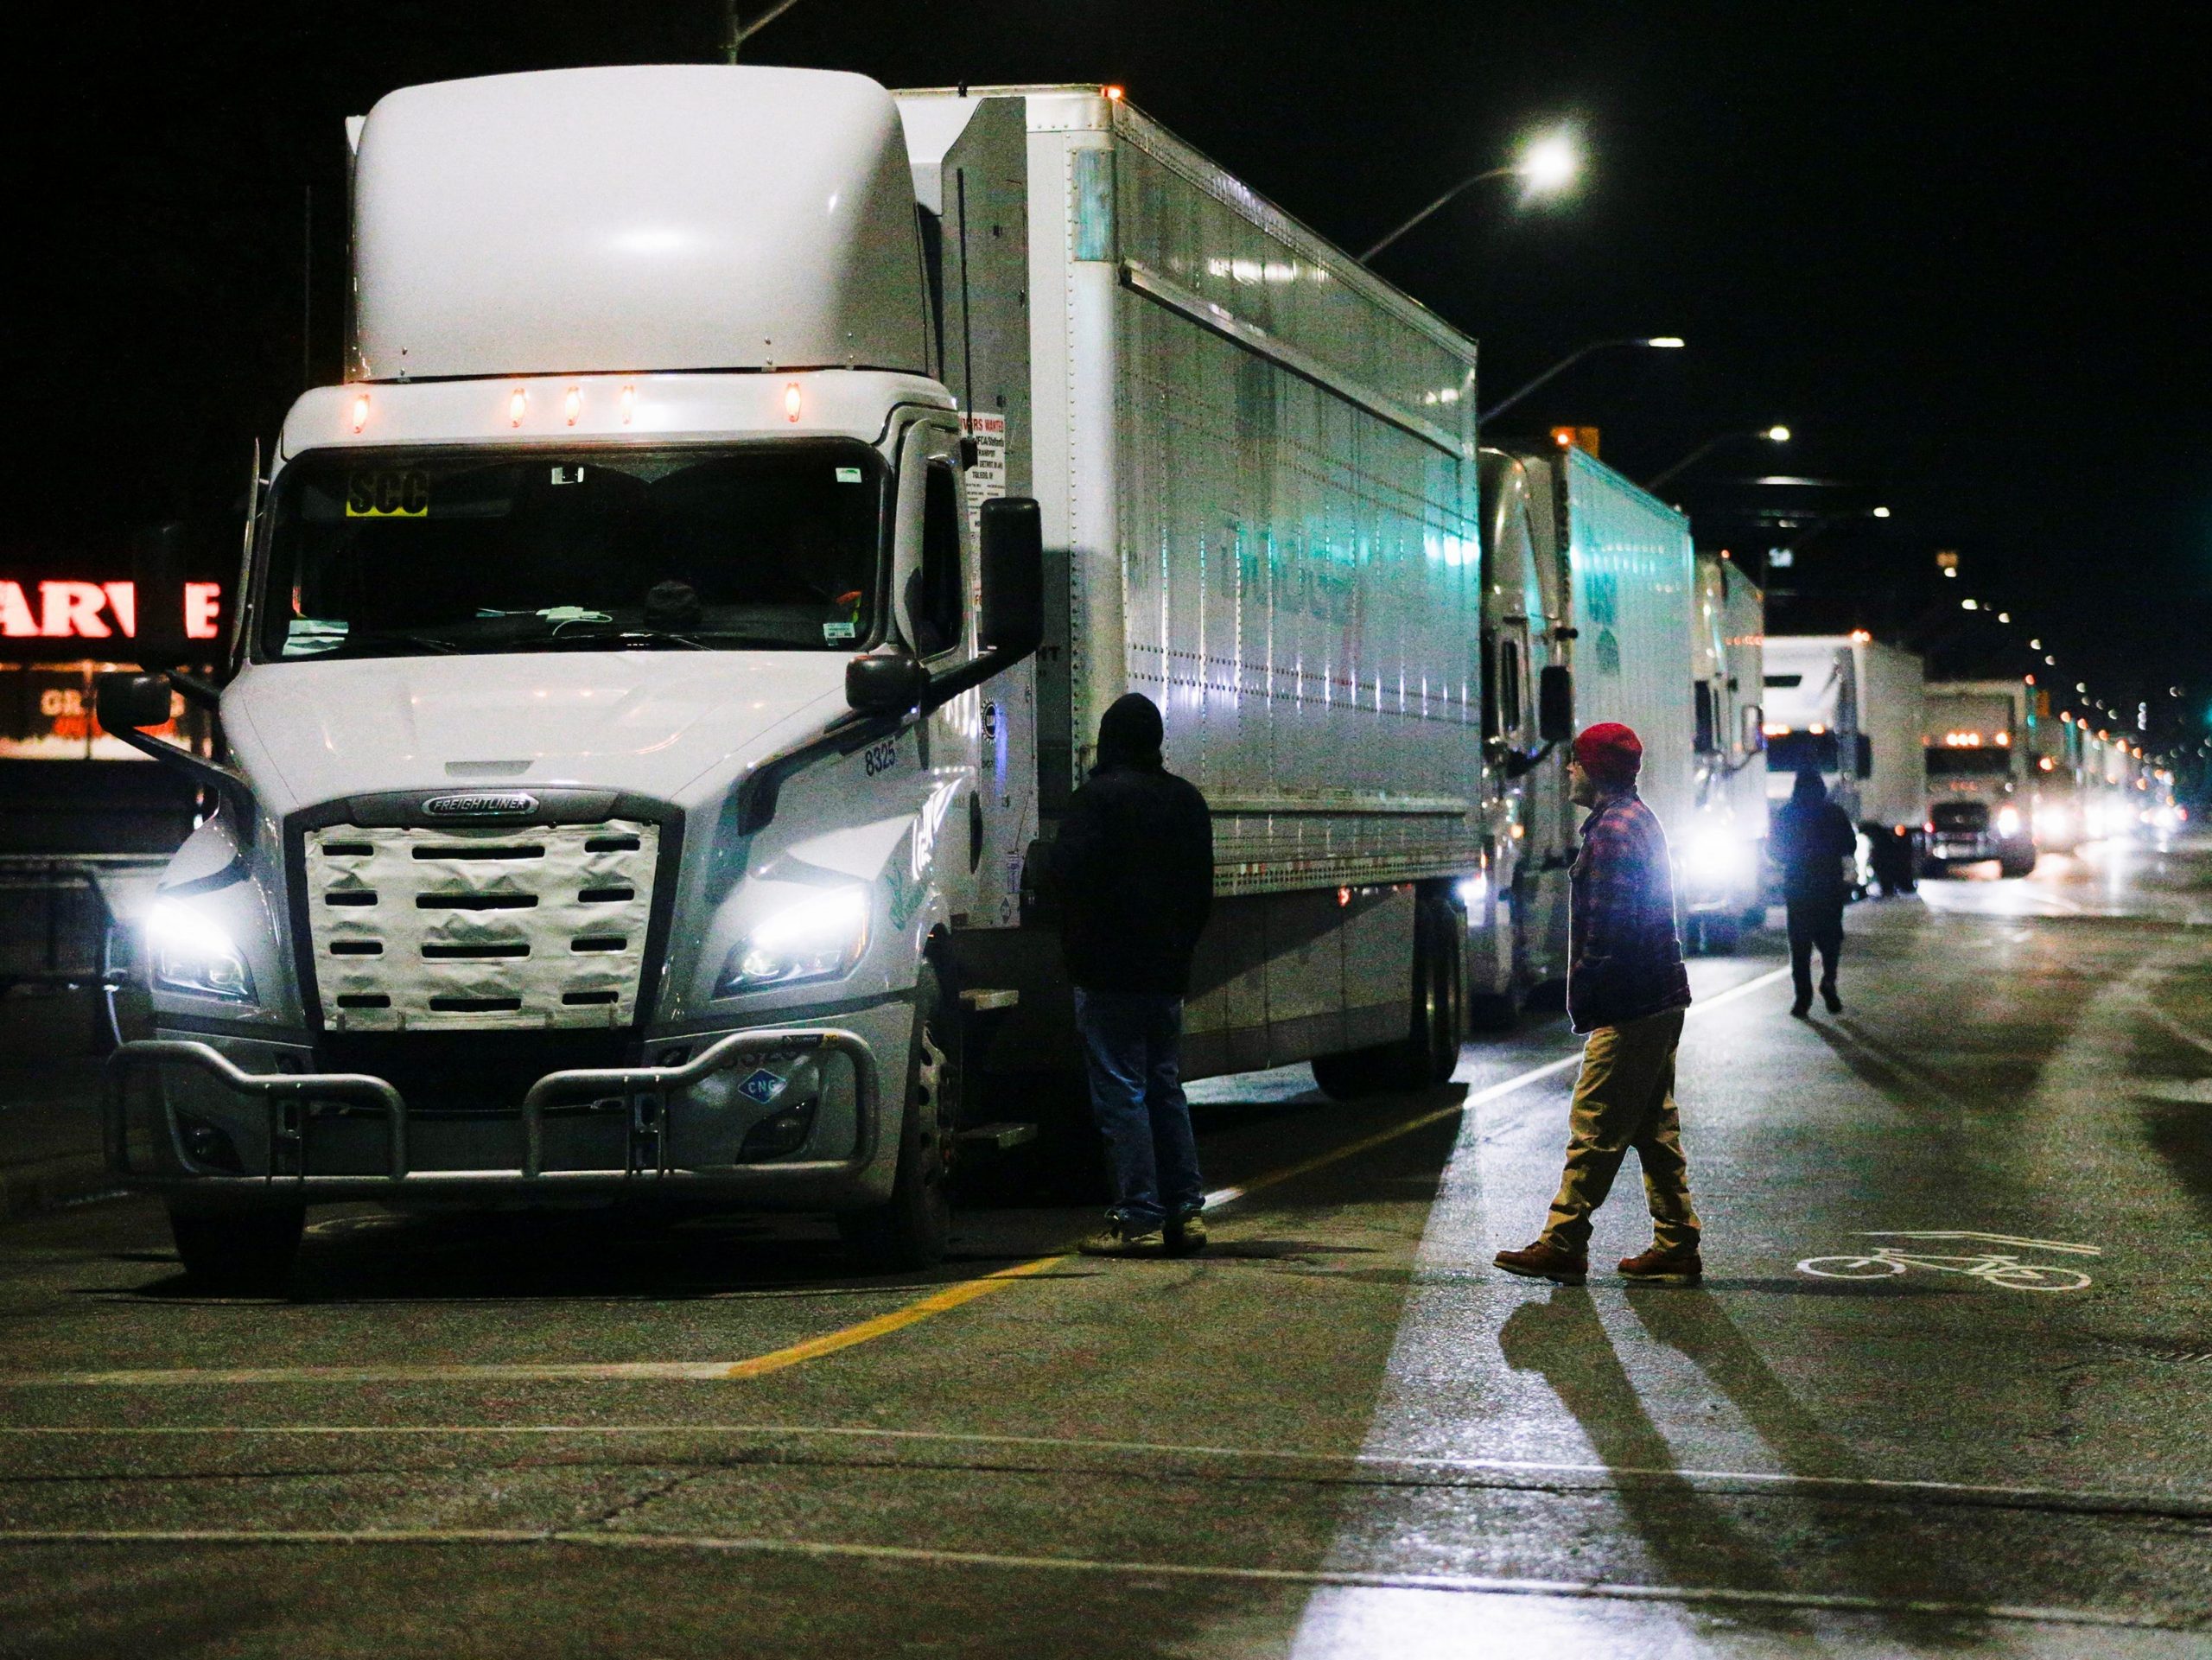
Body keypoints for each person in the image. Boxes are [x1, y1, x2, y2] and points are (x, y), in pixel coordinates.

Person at [1495, 722, 1701, 1288]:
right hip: (1658, 995)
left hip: (1631, 1002)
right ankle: (1677, 1241)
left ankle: (1563, 1241)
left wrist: (1585, 990)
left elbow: (1608, 931)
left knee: (1595, 1123)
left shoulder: (1612, 832)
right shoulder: (1636, 820)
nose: (1567, 770)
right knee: (1653, 1127)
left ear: (1596, 769)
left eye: (1576, 761)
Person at [1053, 692, 1215, 1258]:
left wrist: (1078, 949)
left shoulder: (1094, 801)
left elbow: (1066, 879)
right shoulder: (1187, 802)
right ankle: (1186, 1211)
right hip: (1165, 973)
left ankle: (1139, 1215)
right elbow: (1201, 892)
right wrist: (1178, 951)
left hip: (1108, 974)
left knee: (1122, 1091)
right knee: (1166, 1086)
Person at [1771, 769, 1856, 1016]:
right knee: (1830, 939)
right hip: (1829, 885)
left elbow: (1774, 850)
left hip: (1798, 887)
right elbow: (1850, 845)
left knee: (1800, 945)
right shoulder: (1834, 812)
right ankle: (1829, 979)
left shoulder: (1787, 814)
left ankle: (1802, 998)